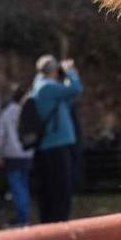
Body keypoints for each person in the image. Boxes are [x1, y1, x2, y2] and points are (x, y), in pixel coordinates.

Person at [30, 55, 81, 223]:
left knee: (52, 189)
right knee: (61, 189)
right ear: (52, 70)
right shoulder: (48, 87)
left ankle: (52, 223)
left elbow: (69, 98)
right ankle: (58, 224)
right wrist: (70, 72)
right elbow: (76, 88)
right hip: (55, 145)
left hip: (51, 145)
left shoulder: (41, 85)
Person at [0, 84, 33, 226]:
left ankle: (22, 218)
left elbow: (0, 135)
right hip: (26, 153)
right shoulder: (28, 110)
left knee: (17, 188)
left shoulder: (6, 113)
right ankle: (24, 215)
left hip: (11, 154)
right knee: (23, 186)